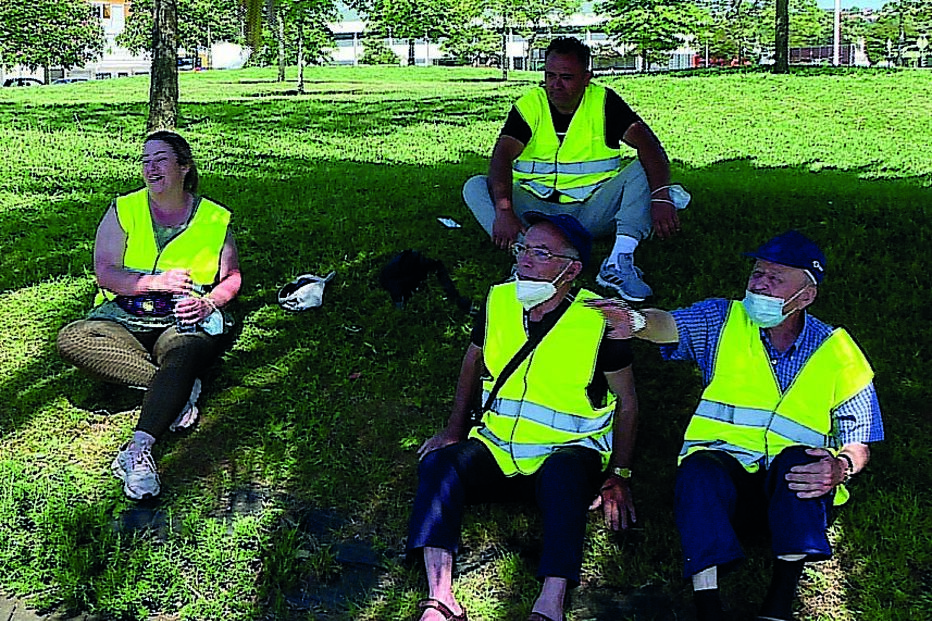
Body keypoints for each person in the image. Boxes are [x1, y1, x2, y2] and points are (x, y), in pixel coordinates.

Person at [586, 231, 884, 621]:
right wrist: (638, 320)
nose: (758, 283)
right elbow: (670, 325)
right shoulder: (724, 319)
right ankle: (708, 606)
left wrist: (840, 467)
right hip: (723, 492)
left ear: (806, 296)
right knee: (699, 468)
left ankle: (778, 606)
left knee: (801, 460)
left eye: (774, 278)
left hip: (792, 495)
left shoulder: (840, 350)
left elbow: (859, 437)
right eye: (757, 273)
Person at [407, 213, 638, 621]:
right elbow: (472, 362)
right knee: (440, 465)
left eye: (541, 252)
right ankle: (439, 597)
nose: (525, 259)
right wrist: (454, 431)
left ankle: (550, 602)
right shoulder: (498, 300)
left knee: (566, 477)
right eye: (524, 248)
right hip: (496, 446)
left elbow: (628, 400)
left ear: (573, 269)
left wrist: (619, 473)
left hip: (566, 451)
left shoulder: (598, 320)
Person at [57, 130, 241, 500]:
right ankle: (177, 388)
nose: (150, 168)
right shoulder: (124, 210)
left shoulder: (213, 218)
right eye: (145, 161)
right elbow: (106, 271)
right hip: (124, 314)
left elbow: (232, 277)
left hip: (181, 319)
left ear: (184, 167)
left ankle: (138, 451)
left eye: (160, 160)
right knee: (72, 339)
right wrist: (154, 283)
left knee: (184, 354)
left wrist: (209, 303)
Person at [462, 36, 688, 303]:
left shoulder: (604, 102)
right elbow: (501, 156)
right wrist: (504, 211)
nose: (556, 85)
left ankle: (618, 262)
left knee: (643, 168)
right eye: (550, 75)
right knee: (475, 186)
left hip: (591, 211)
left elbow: (650, 146)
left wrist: (660, 196)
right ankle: (526, 257)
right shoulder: (531, 104)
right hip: (536, 211)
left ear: (586, 78)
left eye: (566, 77)